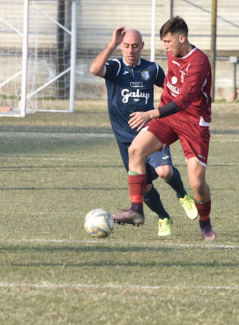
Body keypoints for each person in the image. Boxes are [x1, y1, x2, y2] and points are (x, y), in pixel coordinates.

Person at [112, 16, 216, 241]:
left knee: (197, 183)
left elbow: (183, 101)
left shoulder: (199, 62)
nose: (165, 47)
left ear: (182, 38)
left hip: (193, 123)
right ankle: (136, 210)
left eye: (168, 42)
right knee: (135, 151)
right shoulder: (172, 52)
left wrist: (149, 113)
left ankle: (205, 222)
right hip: (168, 119)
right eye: (163, 42)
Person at [90, 26, 199, 236]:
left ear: (142, 46)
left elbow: (172, 91)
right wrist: (111, 44)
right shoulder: (114, 67)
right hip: (125, 140)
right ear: (121, 47)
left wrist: (159, 113)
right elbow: (95, 70)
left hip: (151, 132)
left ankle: (183, 194)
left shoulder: (152, 69)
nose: (130, 51)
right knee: (145, 187)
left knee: (164, 171)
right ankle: (164, 217)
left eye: (134, 46)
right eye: (126, 46)